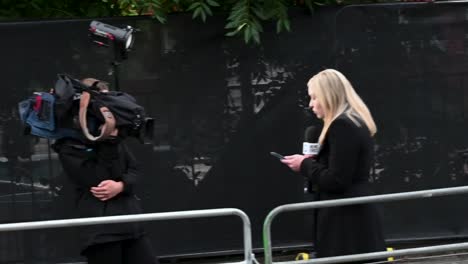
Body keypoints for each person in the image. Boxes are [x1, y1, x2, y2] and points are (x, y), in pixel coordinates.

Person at [281, 69, 385, 260]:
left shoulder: (342, 126)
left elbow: (337, 179)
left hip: (345, 222)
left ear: (328, 96)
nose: (310, 104)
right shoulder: (355, 121)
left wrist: (304, 164)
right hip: (353, 216)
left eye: (314, 97)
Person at [52, 78, 159, 264]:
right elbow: (95, 179)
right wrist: (108, 141)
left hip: (131, 225)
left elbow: (136, 171)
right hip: (101, 231)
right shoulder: (69, 144)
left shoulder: (118, 141)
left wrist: (121, 185)